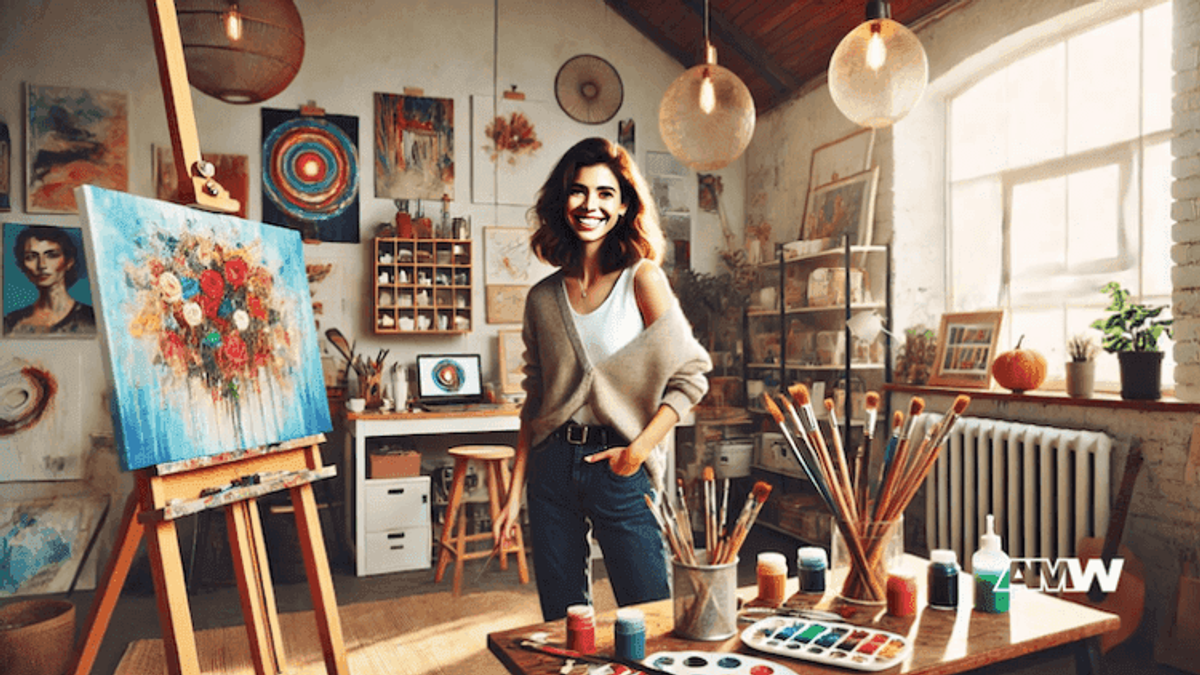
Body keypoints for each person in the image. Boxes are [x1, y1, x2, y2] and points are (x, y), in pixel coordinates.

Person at [492, 137, 712, 621]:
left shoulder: (642, 279)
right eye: (578, 191)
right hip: (550, 472)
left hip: (619, 467)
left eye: (606, 193)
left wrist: (637, 453)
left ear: (623, 205)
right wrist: (515, 491)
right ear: (561, 202)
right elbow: (535, 401)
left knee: (652, 612)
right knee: (564, 623)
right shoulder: (542, 299)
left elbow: (692, 376)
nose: (590, 205)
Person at [4, 225, 95, 335]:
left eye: (52, 255)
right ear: (23, 265)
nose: (42, 265)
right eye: (31, 257)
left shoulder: (92, 319)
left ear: (69, 262)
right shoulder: (11, 323)